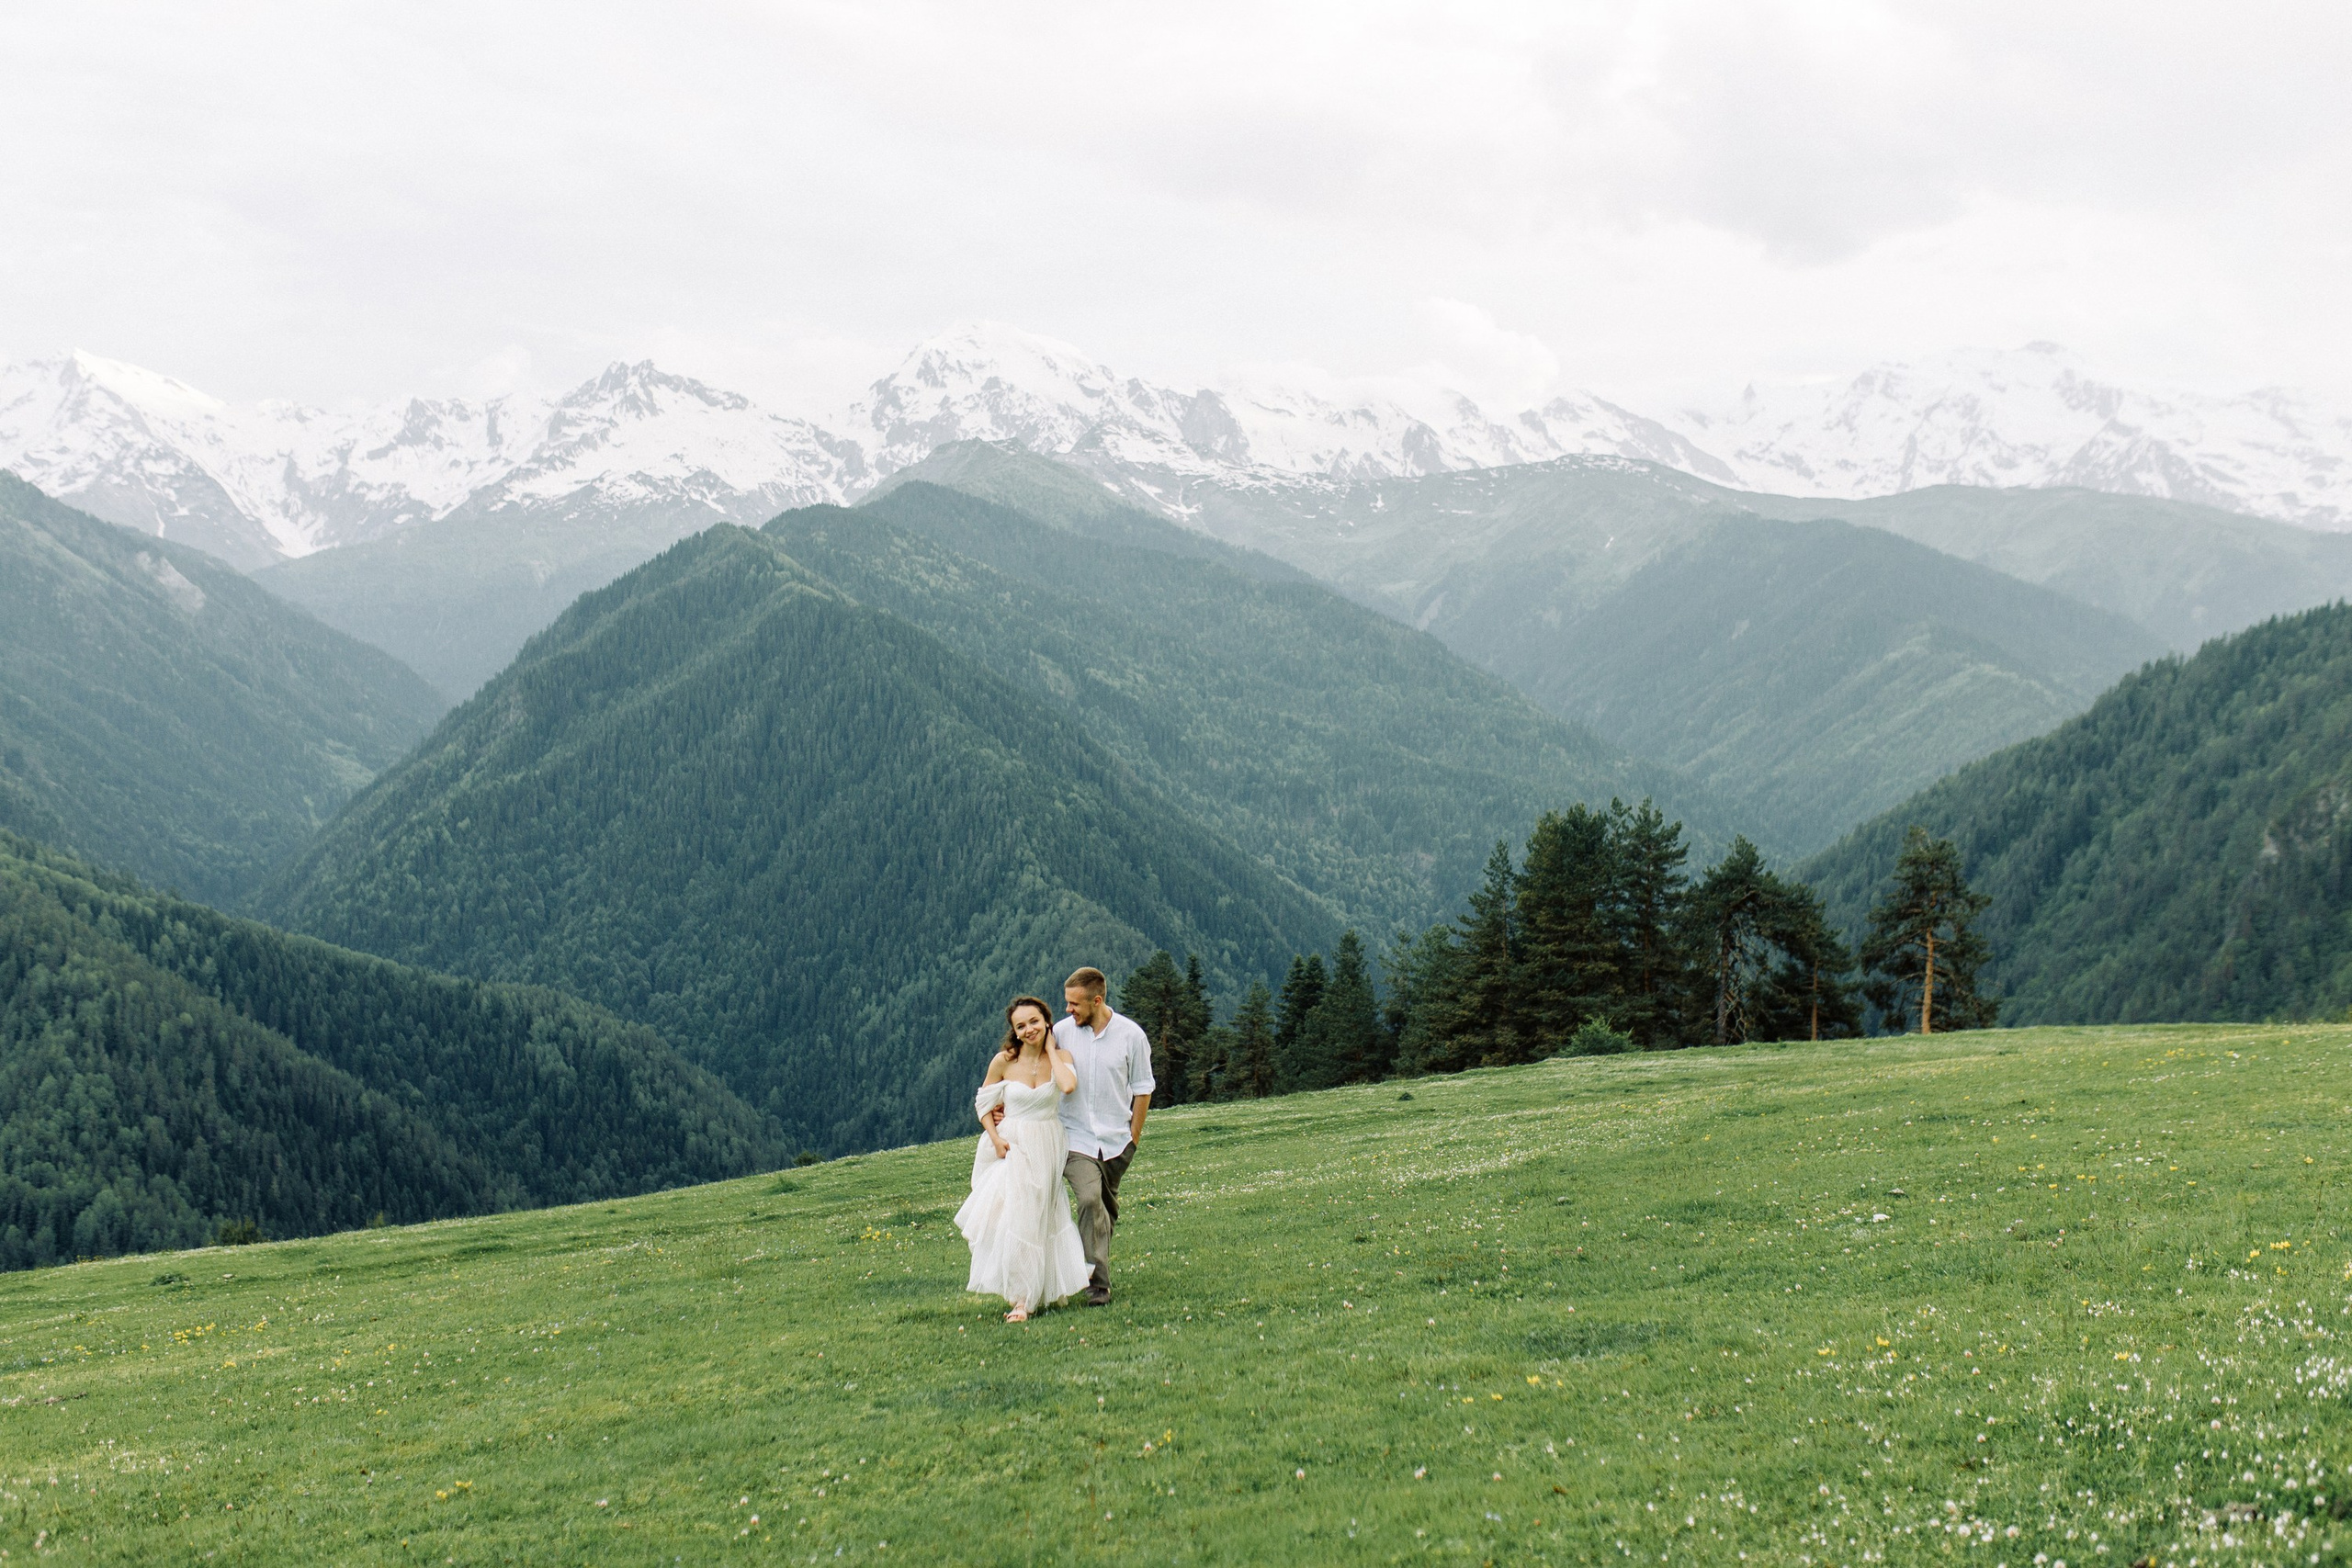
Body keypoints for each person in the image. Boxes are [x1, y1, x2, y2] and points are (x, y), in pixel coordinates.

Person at [955, 996, 1090, 1322]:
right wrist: (996, 1138)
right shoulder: (1003, 1061)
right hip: (1012, 1144)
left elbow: (1068, 1085)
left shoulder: (1061, 1058)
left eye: (1034, 1021)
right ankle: (1021, 1301)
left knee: (1044, 1215)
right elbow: (984, 1104)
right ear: (1014, 1032)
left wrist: (1051, 1049)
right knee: (1018, 1217)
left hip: (1048, 1142)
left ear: (1046, 1021)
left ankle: (1043, 1288)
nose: (1028, 1029)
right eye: (1020, 1026)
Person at [1052, 965, 1153, 1306]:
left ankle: (1093, 1258)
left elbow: (1142, 1089)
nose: (1068, 1010)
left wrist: (1133, 1138)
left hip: (1116, 1142)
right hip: (1075, 1138)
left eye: (1074, 1004)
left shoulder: (1131, 1035)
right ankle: (1099, 1285)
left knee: (1106, 1212)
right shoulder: (1061, 1034)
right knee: (1090, 1201)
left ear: (1096, 1001)